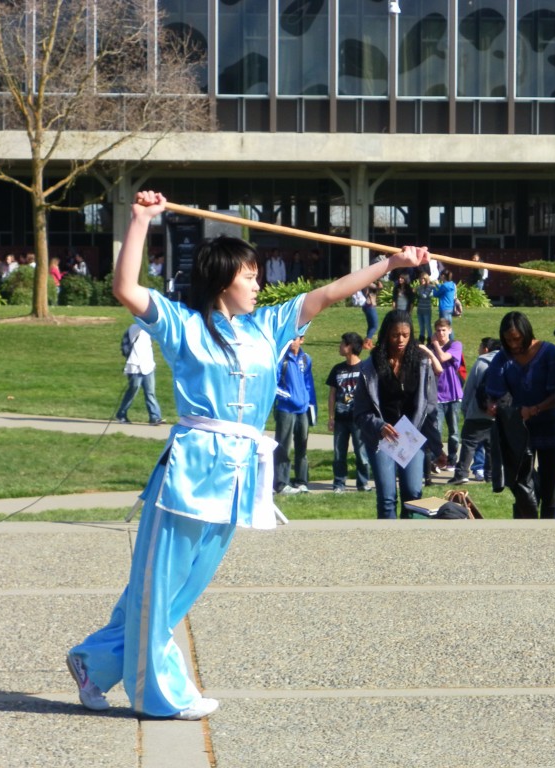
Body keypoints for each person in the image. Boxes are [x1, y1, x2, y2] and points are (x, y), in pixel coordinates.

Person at [66, 189, 429, 720]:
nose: (259, 282)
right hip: (191, 468)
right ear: (222, 280)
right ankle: (160, 694)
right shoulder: (182, 323)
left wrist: (390, 263)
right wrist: (142, 220)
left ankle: (94, 663)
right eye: (250, 275)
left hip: (239, 473)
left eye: (259, 275)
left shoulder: (269, 326)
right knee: (158, 581)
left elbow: (327, 294)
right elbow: (125, 287)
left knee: (180, 589)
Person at [353, 309, 445, 519]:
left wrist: (437, 447)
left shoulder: (422, 363)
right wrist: (379, 426)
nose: (401, 340)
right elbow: (360, 412)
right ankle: (388, 541)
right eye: (395, 335)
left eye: (406, 335)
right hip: (382, 438)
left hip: (411, 438)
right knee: (387, 497)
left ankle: (409, 542)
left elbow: (430, 409)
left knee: (413, 494)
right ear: (386, 334)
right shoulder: (370, 366)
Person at [484, 311, 555, 519]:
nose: (513, 344)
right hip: (518, 429)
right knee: (520, 485)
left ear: (526, 332)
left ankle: (549, 529)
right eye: (508, 340)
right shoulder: (503, 358)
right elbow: (493, 392)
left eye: (517, 339)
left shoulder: (550, 353)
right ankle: (523, 527)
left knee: (549, 487)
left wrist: (535, 409)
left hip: (548, 425)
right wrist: (492, 404)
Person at [448, 337, 500, 484]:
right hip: (498, 414)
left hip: (477, 412)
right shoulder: (507, 362)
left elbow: (470, 388)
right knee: (492, 448)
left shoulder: (481, 362)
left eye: (480, 346)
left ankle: (461, 474)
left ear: (486, 349)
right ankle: (490, 476)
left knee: (469, 444)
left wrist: (465, 409)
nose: (478, 349)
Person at [326, 332, 372, 493]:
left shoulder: (365, 368)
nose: (339, 346)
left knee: (361, 453)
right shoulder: (337, 369)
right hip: (340, 418)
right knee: (339, 453)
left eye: (342, 344)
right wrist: (331, 417)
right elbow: (332, 394)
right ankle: (339, 483)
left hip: (358, 419)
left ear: (350, 347)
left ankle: (363, 483)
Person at [273, 335, 317, 494]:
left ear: (302, 340)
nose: (292, 342)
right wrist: (289, 397)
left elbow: (309, 384)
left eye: (295, 338)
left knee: (302, 446)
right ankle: (281, 483)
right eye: (290, 339)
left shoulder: (305, 359)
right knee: (283, 446)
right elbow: (274, 384)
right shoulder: (281, 360)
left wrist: (311, 405)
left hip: (303, 410)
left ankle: (301, 481)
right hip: (286, 409)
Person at [429, 317, 464, 470]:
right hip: (436, 395)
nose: (441, 333)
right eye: (438, 330)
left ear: (450, 330)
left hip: (454, 395)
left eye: (443, 330)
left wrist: (435, 344)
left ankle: (452, 460)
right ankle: (437, 459)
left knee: (454, 432)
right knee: (436, 431)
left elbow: (443, 357)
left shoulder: (455, 345)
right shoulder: (430, 349)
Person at [115, 323, 164, 425]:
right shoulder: (134, 328)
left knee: (150, 392)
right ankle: (121, 414)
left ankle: (155, 417)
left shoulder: (150, 331)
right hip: (135, 366)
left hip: (148, 366)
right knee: (133, 390)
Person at [415, 273, 434, 344]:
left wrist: (417, 290)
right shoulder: (420, 287)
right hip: (420, 309)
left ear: (427, 279)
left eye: (423, 279)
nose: (422, 280)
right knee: (421, 326)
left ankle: (430, 340)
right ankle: (421, 340)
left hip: (427, 309)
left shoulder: (429, 287)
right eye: (421, 278)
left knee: (428, 325)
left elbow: (424, 296)